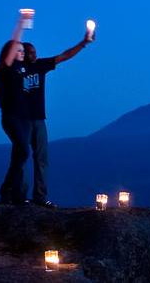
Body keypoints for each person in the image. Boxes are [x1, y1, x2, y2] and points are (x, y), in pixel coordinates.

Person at [21, 28, 94, 209]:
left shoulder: (40, 65)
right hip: (21, 120)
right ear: (22, 54)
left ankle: (40, 196)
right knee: (20, 158)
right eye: (30, 53)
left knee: (41, 158)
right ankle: (18, 195)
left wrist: (83, 43)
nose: (34, 55)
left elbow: (64, 56)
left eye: (34, 52)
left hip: (38, 119)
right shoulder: (15, 70)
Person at [0, 12, 33, 205]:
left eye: (22, 50)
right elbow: (13, 45)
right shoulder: (6, 69)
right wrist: (21, 24)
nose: (22, 52)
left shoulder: (21, 69)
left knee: (19, 155)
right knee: (23, 151)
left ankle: (14, 194)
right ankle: (7, 189)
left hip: (24, 118)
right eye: (18, 50)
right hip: (11, 117)